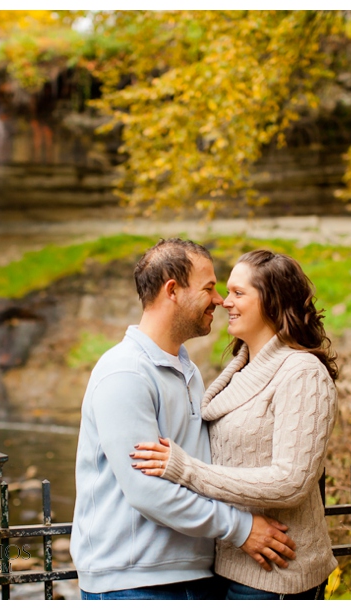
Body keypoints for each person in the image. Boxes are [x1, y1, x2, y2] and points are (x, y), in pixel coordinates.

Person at [71, 239, 297, 600]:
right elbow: (147, 491)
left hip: (194, 576)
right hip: (135, 584)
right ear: (172, 290)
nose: (220, 300)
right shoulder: (125, 372)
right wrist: (241, 529)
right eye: (209, 288)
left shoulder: (187, 370)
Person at [132, 249, 339, 600]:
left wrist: (186, 471)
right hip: (227, 565)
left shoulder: (302, 373)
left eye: (238, 293)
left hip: (278, 574)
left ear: (272, 303)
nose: (225, 302)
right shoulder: (237, 370)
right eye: (227, 292)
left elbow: (291, 481)